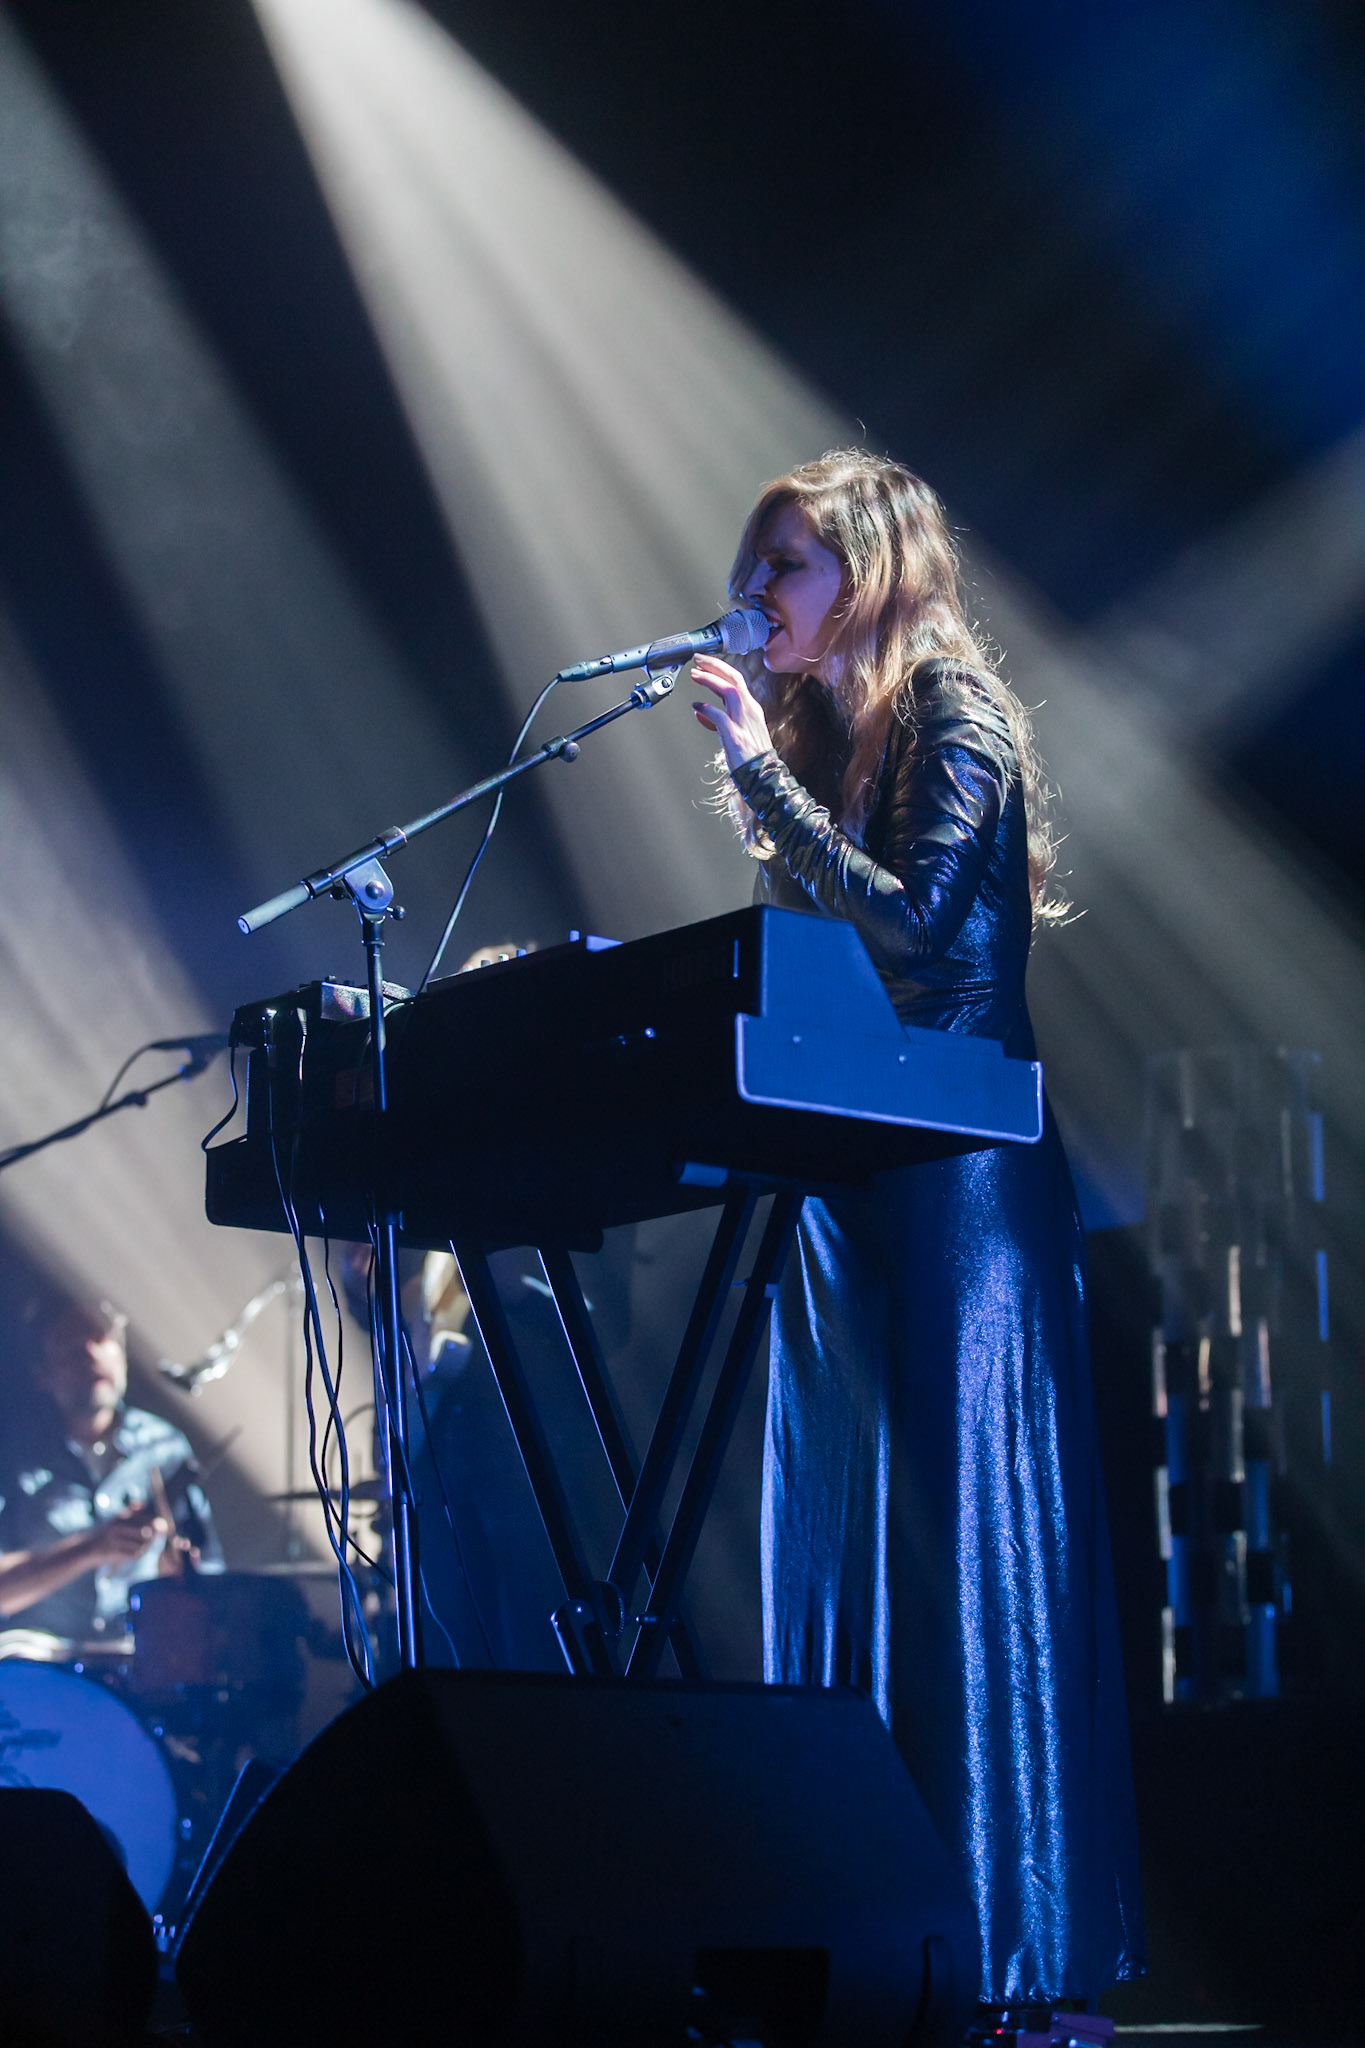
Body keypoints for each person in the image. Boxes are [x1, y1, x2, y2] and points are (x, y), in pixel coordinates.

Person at [691, 450, 1144, 2014]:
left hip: (956, 1180)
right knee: (842, 1547)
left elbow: (917, 936)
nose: (758, 597)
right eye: (753, 567)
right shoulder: (832, 737)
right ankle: (868, 1923)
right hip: (848, 1179)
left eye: (786, 567)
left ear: (873, 571)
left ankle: (1001, 1941)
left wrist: (754, 775)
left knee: (961, 1551)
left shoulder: (955, 715)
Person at [0, 1297, 221, 1642]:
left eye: (101, 1340)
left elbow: (209, 1572)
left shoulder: (163, 1447)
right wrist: (92, 1547)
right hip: (41, 1656)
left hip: (137, 1652)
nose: (89, 1354)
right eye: (68, 1347)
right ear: (41, 1374)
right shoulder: (12, 1453)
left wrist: (178, 1579)